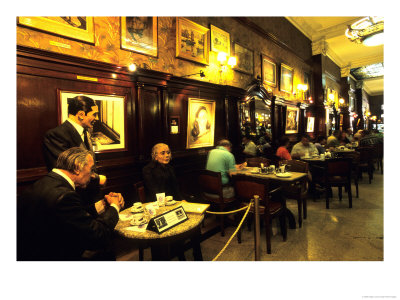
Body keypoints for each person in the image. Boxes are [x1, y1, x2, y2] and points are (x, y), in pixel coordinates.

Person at [17, 147, 124, 260]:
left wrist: (102, 205)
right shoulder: (65, 196)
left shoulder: (41, 184)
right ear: (78, 167)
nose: (92, 175)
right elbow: (97, 236)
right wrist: (114, 207)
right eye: (91, 169)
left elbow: (73, 217)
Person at [43, 95, 107, 208]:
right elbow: (68, 170)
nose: (96, 118)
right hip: (71, 200)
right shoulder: (56, 135)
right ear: (81, 114)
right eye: (94, 114)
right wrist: (97, 179)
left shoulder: (86, 133)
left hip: (89, 198)